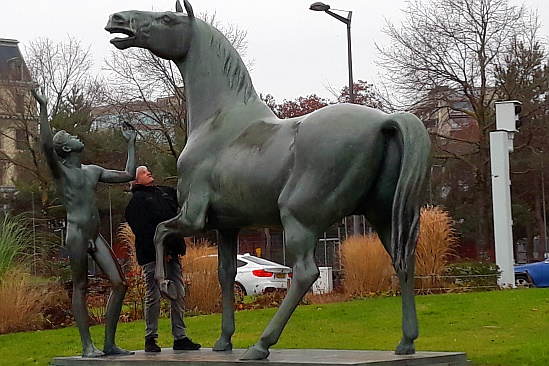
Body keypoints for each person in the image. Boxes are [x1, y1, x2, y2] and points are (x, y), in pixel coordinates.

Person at [31, 89, 136, 357]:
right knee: (81, 286)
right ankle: (88, 346)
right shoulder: (62, 173)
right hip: (77, 234)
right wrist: (43, 107)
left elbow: (128, 174)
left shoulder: (92, 171)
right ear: (66, 148)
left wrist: (131, 144)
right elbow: (45, 145)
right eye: (71, 137)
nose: (78, 137)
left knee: (119, 283)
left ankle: (109, 343)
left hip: (95, 235)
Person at [125, 166, 201, 353]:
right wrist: (160, 251)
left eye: (148, 170)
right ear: (136, 181)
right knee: (154, 296)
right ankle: (150, 338)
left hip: (173, 252)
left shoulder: (165, 193)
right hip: (153, 257)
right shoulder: (136, 202)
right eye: (143, 172)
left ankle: (180, 337)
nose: (149, 173)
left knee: (178, 293)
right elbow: (143, 231)